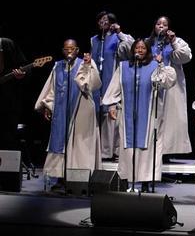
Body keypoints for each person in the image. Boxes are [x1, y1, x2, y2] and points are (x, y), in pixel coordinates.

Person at [102, 39, 176, 192]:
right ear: (133, 49)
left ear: (147, 50)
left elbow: (167, 82)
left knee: (147, 149)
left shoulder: (155, 66)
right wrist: (111, 105)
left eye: (143, 48)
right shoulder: (123, 67)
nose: (140, 50)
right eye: (137, 47)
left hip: (149, 117)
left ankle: (146, 182)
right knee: (128, 148)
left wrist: (161, 65)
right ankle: (128, 180)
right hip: (127, 115)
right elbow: (115, 86)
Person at [35, 39, 102, 185]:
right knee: (60, 142)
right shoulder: (58, 67)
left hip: (81, 111)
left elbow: (93, 84)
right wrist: (48, 105)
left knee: (78, 144)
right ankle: (59, 177)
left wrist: (88, 66)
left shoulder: (85, 62)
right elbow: (52, 89)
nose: (69, 51)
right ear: (63, 51)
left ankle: (79, 179)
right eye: (66, 49)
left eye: (72, 48)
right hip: (61, 113)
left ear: (77, 50)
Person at [146, 16, 193, 162]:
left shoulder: (176, 42)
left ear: (169, 28)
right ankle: (149, 149)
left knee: (169, 119)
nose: (161, 26)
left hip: (170, 88)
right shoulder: (147, 43)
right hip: (150, 87)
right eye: (158, 23)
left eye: (165, 24)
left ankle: (165, 152)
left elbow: (184, 57)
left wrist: (173, 42)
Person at [90, 11, 134, 161]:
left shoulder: (118, 38)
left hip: (112, 79)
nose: (103, 22)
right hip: (97, 82)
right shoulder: (94, 40)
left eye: (106, 20)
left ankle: (111, 151)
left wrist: (119, 32)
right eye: (100, 20)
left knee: (111, 115)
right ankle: (97, 150)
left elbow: (131, 49)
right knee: (97, 114)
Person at [0, 32, 27, 150]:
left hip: (7, 99)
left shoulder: (7, 43)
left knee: (7, 134)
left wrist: (21, 75)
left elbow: (24, 66)